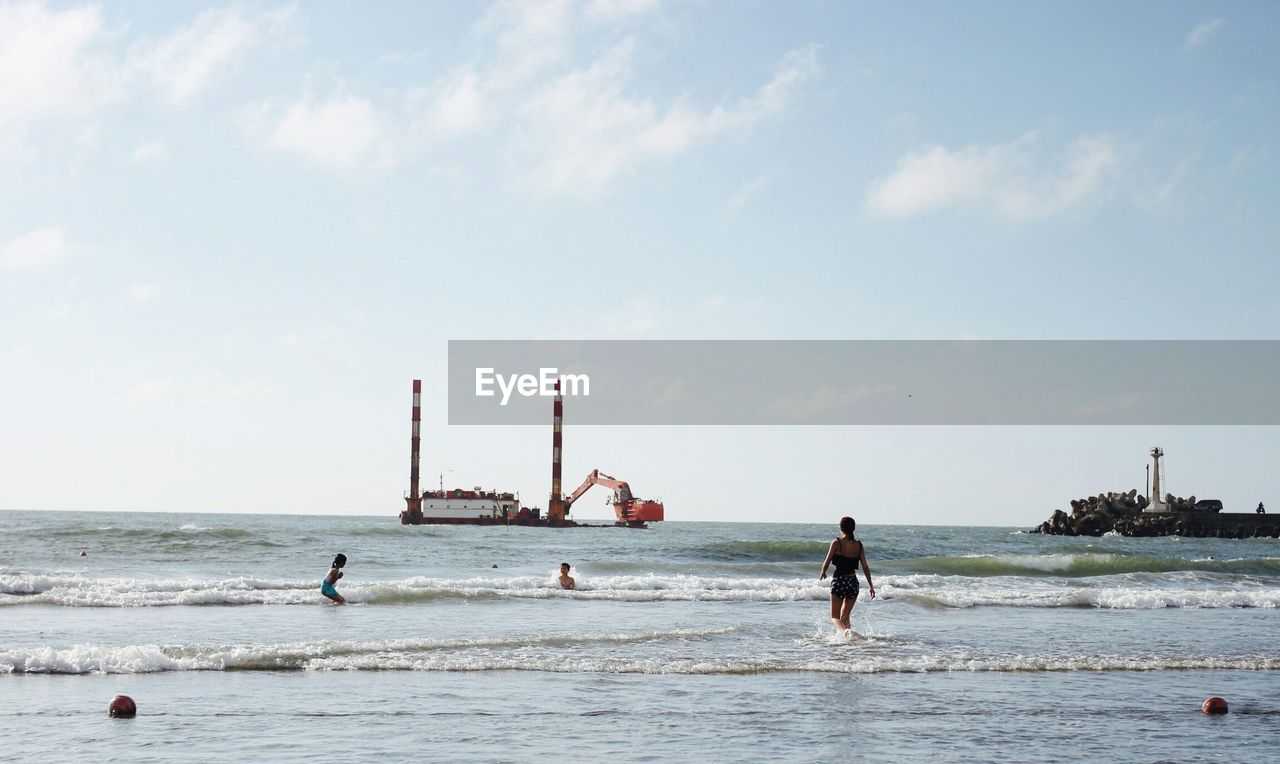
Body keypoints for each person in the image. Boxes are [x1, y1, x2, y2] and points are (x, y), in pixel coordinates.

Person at [819, 516, 875, 633]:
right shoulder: (859, 545)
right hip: (853, 583)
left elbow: (827, 561)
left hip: (839, 581)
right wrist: (871, 586)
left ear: (841, 528)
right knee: (845, 617)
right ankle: (849, 643)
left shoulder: (836, 543)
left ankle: (845, 635)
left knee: (835, 617)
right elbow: (865, 567)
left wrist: (823, 571)